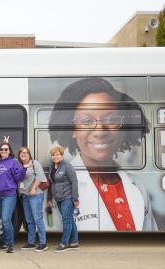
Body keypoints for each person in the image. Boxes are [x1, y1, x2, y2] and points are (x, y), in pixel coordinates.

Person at [49, 77, 158, 231]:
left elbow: (150, 241)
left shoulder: (137, 186)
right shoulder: (59, 184)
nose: (100, 131)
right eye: (86, 121)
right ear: (73, 129)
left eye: (111, 119)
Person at [0, 142, 30, 253]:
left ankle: (10, 244)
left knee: (6, 219)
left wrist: (23, 168)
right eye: (2, 149)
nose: (4, 151)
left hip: (9, 195)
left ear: (10, 151)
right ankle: (5, 243)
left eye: (6, 149)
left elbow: (18, 177)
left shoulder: (13, 162)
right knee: (2, 220)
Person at [47, 146, 80, 253]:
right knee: (69, 219)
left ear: (61, 155)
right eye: (53, 155)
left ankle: (64, 243)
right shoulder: (52, 167)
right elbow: (51, 183)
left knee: (66, 220)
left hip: (67, 197)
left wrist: (75, 198)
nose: (55, 157)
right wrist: (49, 198)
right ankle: (74, 242)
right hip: (58, 198)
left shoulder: (67, 166)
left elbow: (74, 182)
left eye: (57, 154)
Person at [17, 146, 48, 252]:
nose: (23, 154)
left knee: (37, 218)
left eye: (26, 152)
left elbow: (40, 177)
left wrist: (34, 188)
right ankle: (31, 243)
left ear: (29, 155)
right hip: (25, 196)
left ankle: (43, 243)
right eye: (21, 152)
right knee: (29, 220)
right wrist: (6, 143)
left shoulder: (35, 163)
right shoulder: (19, 165)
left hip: (35, 195)